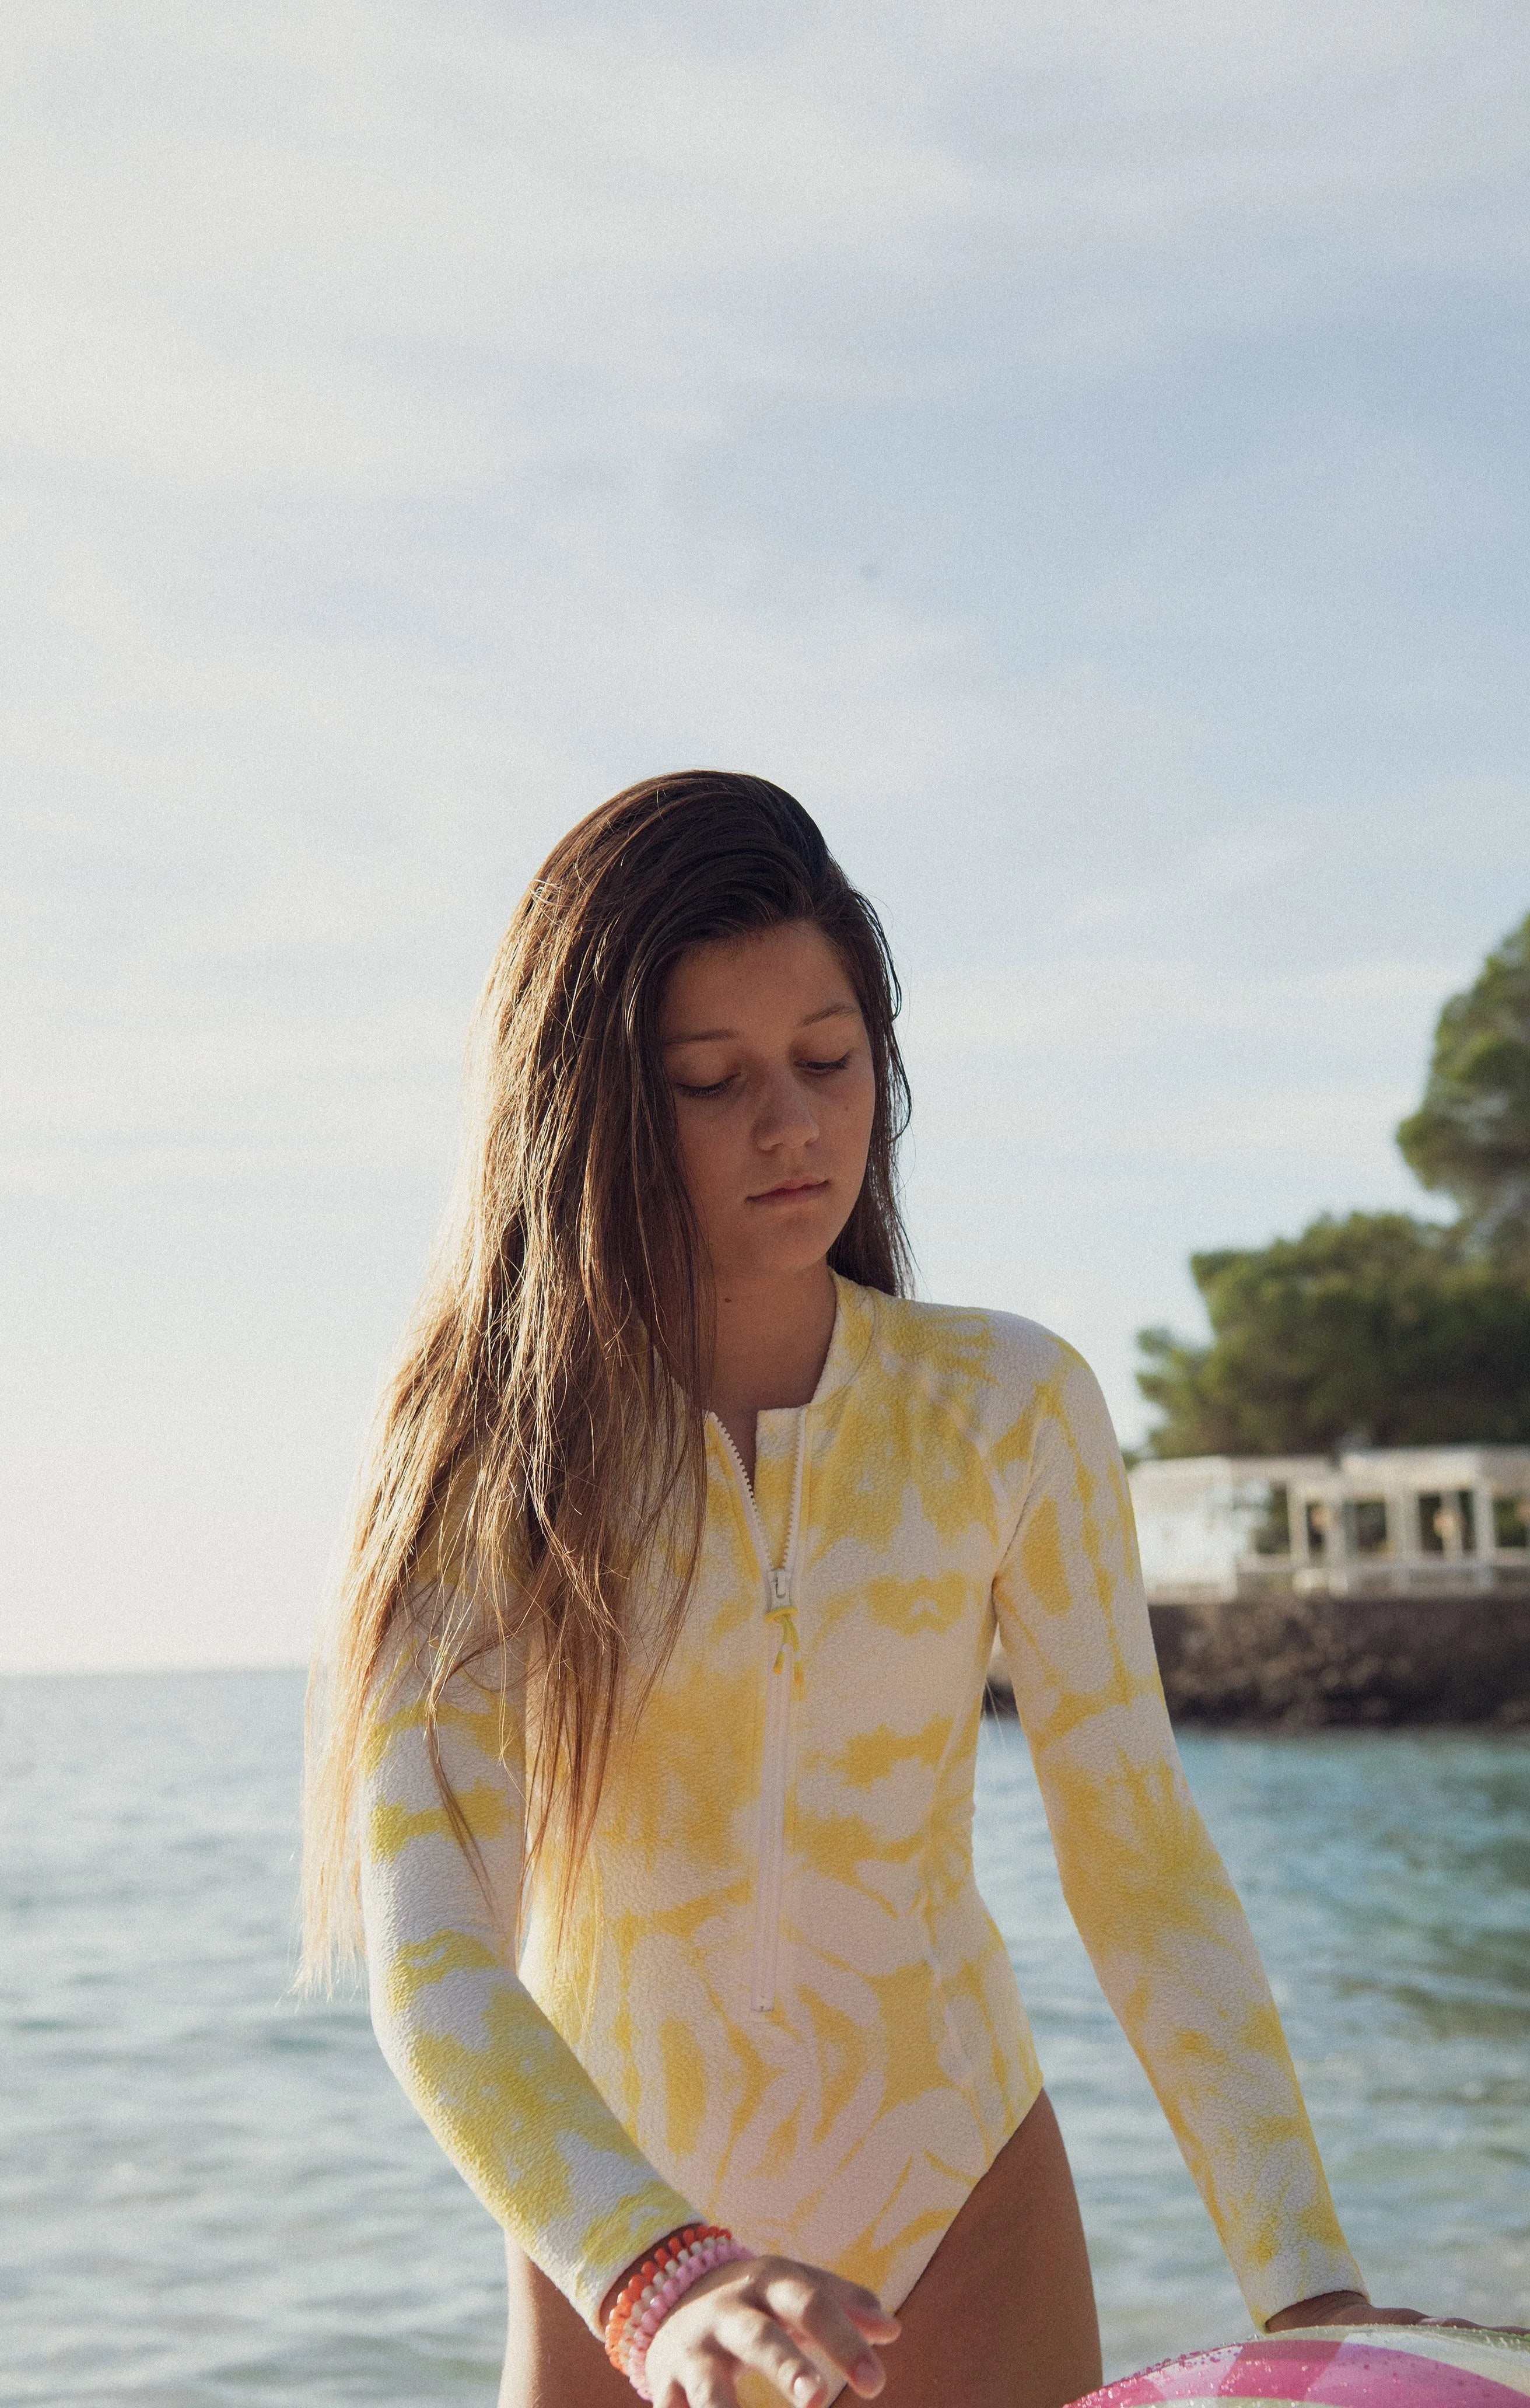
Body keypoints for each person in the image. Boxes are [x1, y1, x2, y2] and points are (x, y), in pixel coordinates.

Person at [301, 772, 1424, 2408]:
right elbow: (434, 1956)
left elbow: (1140, 1866)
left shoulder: (1008, 1411)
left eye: (830, 1062)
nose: (795, 1125)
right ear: (592, 1109)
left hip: (962, 2208)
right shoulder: (484, 1456)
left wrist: (1306, 2277)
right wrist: (650, 2274)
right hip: (621, 2251)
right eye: (713, 1080)